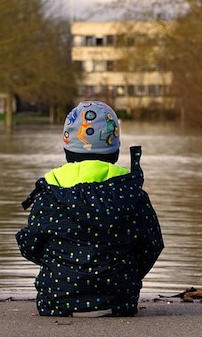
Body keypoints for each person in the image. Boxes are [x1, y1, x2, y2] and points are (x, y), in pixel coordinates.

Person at [16, 101, 163, 317]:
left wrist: (59, 260)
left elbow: (31, 244)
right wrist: (127, 273)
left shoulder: (49, 195)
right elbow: (152, 245)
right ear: (115, 151)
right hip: (119, 302)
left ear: (66, 149)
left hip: (57, 302)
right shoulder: (132, 196)